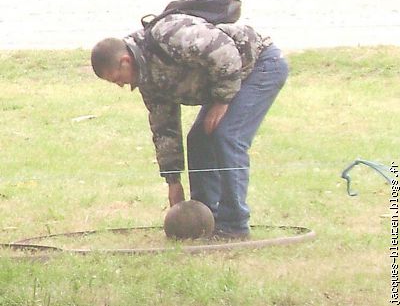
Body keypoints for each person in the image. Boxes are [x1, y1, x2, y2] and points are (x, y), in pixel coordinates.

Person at [91, 13, 289, 239]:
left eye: (117, 78)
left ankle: (234, 225)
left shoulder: (168, 35)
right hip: (228, 78)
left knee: (226, 136)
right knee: (199, 140)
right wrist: (173, 180)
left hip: (260, 64)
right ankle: (203, 221)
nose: (120, 85)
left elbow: (225, 53)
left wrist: (223, 100)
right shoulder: (146, 76)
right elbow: (164, 127)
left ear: (125, 61)